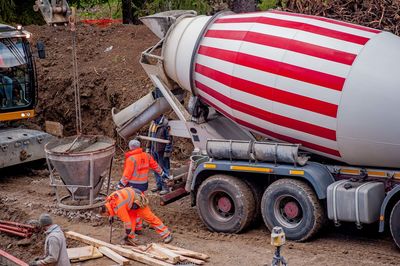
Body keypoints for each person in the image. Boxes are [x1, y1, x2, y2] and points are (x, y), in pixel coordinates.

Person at [101, 187, 173, 246]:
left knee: (149, 218)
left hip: (137, 200)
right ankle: (130, 238)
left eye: (106, 215)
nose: (107, 216)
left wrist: (126, 233)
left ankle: (166, 234)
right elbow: (113, 209)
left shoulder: (119, 208)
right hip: (129, 203)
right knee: (131, 220)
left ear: (106, 210)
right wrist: (111, 216)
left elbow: (127, 222)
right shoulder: (109, 201)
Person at [147, 115, 173, 195]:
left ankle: (166, 187)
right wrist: (148, 148)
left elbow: (169, 139)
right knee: (155, 168)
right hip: (153, 150)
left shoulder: (165, 123)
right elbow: (150, 137)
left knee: (164, 169)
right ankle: (159, 186)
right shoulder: (153, 123)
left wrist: (167, 152)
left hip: (162, 151)